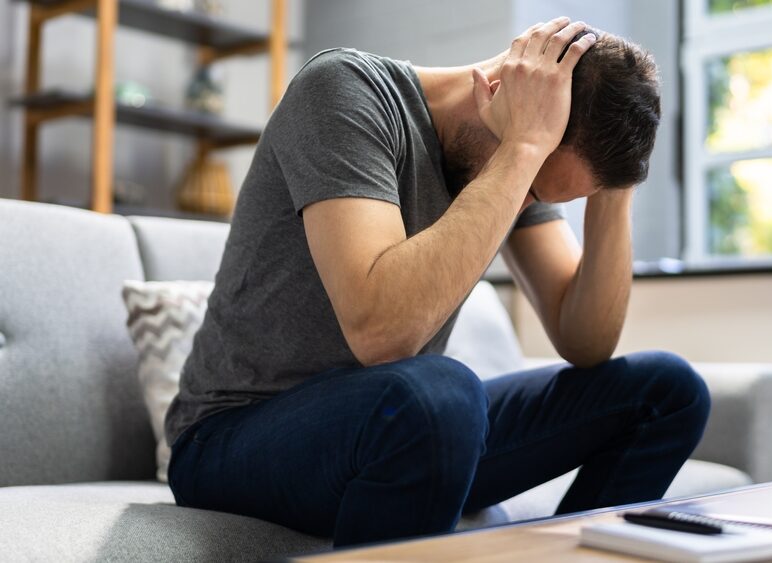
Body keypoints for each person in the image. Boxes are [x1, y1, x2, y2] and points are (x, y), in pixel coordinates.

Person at [164, 17, 711, 548]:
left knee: (667, 390)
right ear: (498, 93)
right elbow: (381, 333)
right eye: (535, 191)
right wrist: (521, 156)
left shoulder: (526, 158)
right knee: (439, 394)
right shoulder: (346, 92)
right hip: (233, 436)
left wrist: (617, 184)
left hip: (398, 432)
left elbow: (585, 340)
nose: (523, 203)